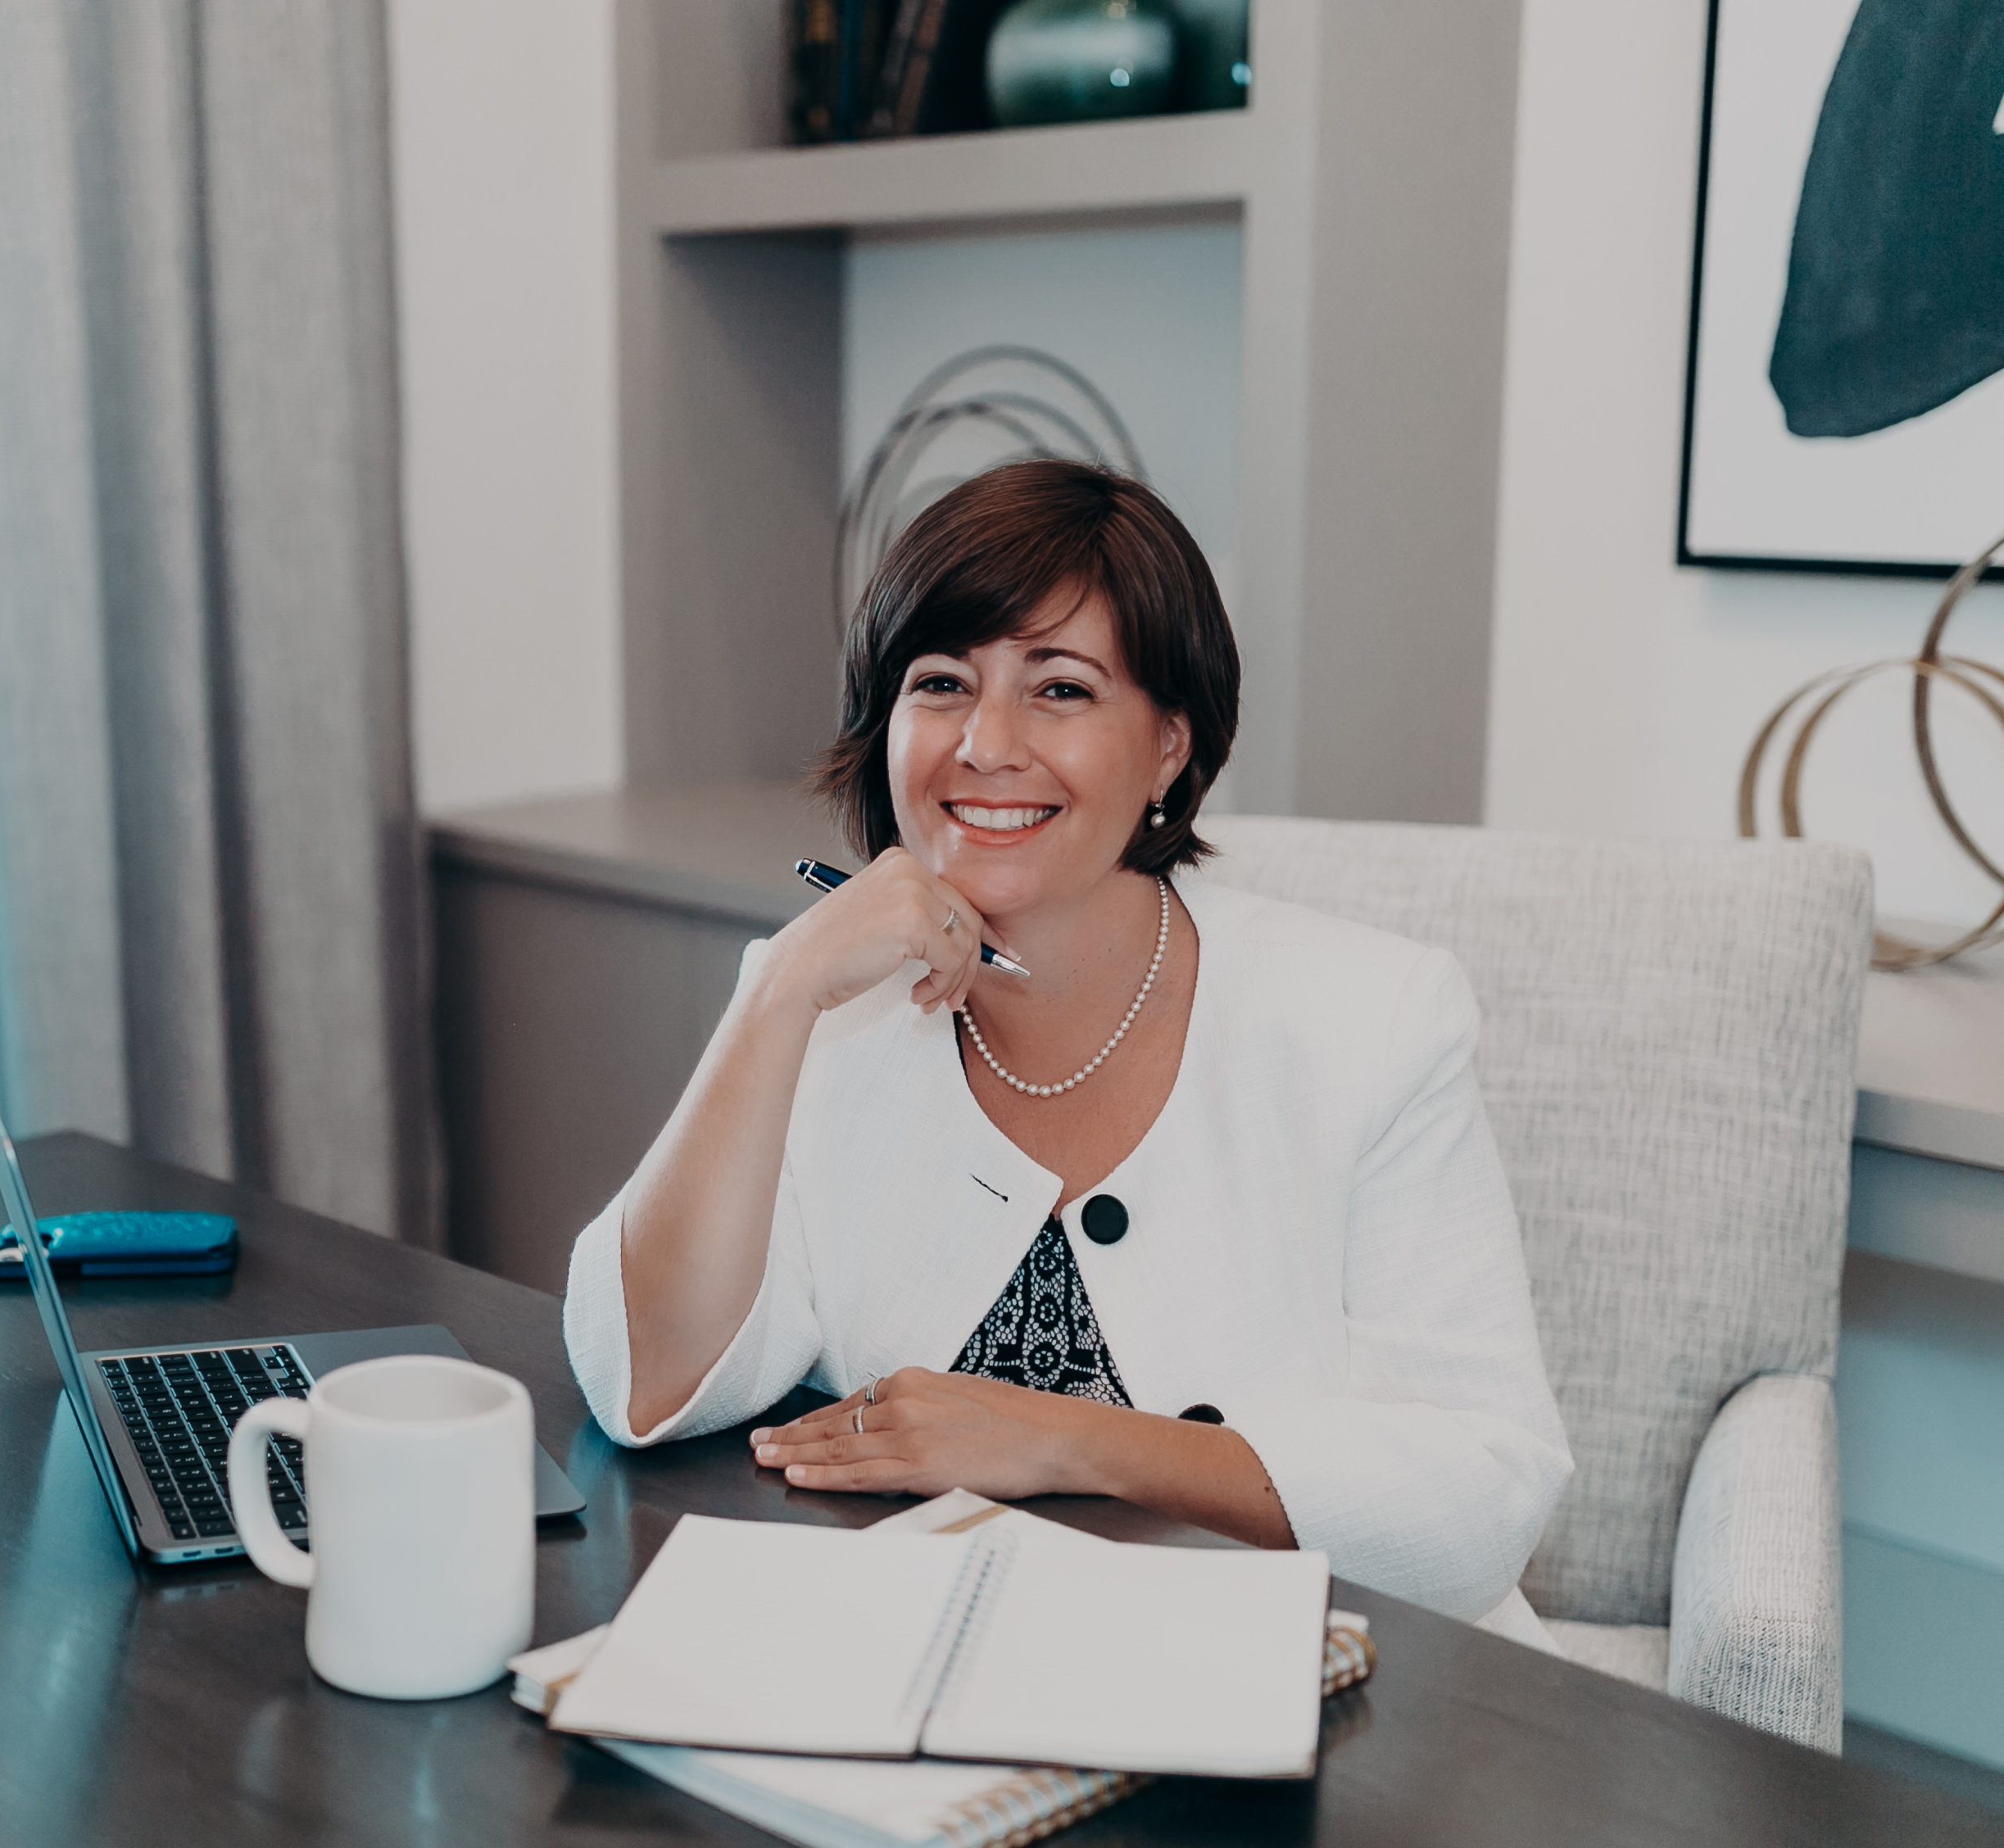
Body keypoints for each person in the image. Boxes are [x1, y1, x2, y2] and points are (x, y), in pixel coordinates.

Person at [560, 459, 1569, 1637]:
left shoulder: (1374, 1019)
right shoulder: (833, 1005)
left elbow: (1485, 1490)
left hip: (1325, 1694)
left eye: (1062, 690)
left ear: (1169, 750)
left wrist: (1066, 1440)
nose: (986, 745)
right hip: (942, 1672)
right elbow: (649, 1385)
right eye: (942, 683)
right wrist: (777, 991)